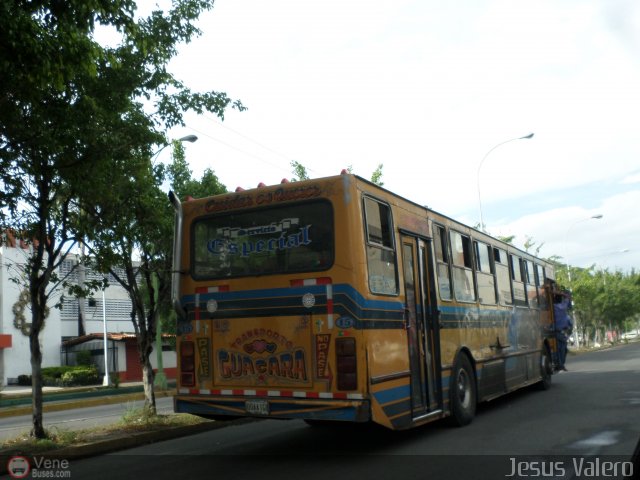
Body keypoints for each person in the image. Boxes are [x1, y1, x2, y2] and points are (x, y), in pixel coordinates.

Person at [553, 291, 573, 371]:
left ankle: (560, 364)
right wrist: (563, 294)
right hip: (560, 332)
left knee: (561, 350)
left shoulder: (553, 307)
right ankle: (560, 365)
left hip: (558, 332)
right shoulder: (562, 306)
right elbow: (568, 297)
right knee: (562, 350)